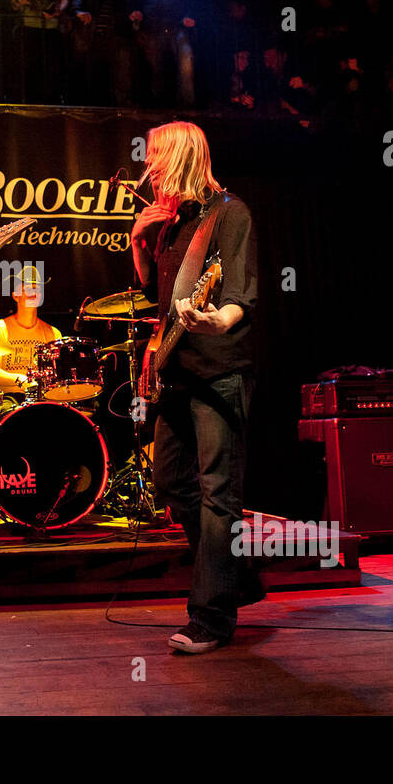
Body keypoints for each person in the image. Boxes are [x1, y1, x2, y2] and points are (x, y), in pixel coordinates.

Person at [130, 121, 260, 654]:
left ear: (182, 158)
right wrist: (139, 239)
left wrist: (217, 321)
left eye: (157, 158)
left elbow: (239, 296)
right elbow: (149, 288)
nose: (149, 169)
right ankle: (237, 580)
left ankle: (210, 618)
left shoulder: (230, 213)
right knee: (171, 485)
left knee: (217, 495)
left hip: (219, 372)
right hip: (176, 371)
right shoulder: (171, 221)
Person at [0, 265, 61, 394]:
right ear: (15, 296)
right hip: (9, 399)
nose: (33, 293)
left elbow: (57, 375)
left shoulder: (53, 333)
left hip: (41, 399)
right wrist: (21, 380)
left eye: (36, 289)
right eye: (28, 289)